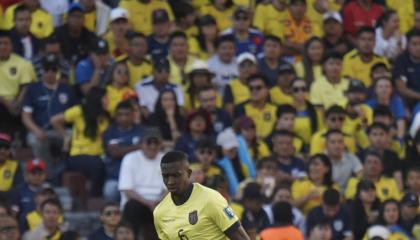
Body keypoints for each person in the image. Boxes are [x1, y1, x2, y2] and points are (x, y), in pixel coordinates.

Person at [153, 150, 251, 239]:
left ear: (188, 173)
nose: (170, 182)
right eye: (166, 176)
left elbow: (241, 237)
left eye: (176, 175)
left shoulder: (210, 199)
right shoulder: (160, 213)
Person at [51, 87, 109, 197]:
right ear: (97, 99)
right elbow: (55, 120)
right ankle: (94, 197)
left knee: (102, 163)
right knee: (98, 165)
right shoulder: (79, 111)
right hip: (78, 155)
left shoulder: (105, 117)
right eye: (105, 98)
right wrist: (65, 135)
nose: (108, 101)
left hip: (98, 155)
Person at [22, 54, 77, 164]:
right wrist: (36, 130)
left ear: (58, 71)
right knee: (35, 140)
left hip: (62, 131)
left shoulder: (67, 89)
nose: (50, 73)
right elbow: (26, 116)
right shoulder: (33, 89)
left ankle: (67, 169)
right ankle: (46, 173)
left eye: (54, 69)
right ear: (42, 70)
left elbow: (75, 114)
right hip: (41, 130)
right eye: (47, 69)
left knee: (75, 138)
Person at [118, 127, 166, 239]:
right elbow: (127, 190)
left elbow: (168, 188)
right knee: (132, 207)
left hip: (161, 203)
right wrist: (149, 203)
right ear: (141, 143)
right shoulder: (130, 158)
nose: (152, 146)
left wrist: (158, 204)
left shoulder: (165, 159)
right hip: (138, 202)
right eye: (149, 142)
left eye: (156, 143)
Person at [102, 101, 143, 202]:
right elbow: (114, 153)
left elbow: (145, 149)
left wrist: (121, 148)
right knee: (109, 191)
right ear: (115, 116)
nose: (123, 118)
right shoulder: (109, 132)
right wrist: (138, 147)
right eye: (120, 115)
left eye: (127, 114)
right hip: (116, 178)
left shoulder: (142, 130)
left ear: (133, 115)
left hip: (138, 178)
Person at [0, 30, 36, 135]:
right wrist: (5, 102)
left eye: (6, 43)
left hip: (16, 103)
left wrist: (17, 103)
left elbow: (26, 86)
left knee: (25, 108)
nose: (2, 47)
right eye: (0, 44)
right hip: (3, 103)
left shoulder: (23, 63)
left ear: (11, 45)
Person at [234, 74, 278, 139]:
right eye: (251, 88)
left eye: (258, 88)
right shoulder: (240, 109)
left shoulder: (275, 110)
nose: (254, 91)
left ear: (267, 89)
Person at [10, 158, 48, 232]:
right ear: (27, 174)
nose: (37, 176)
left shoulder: (49, 191)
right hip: (24, 231)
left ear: (44, 175)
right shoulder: (18, 191)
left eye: (40, 173)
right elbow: (14, 214)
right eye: (33, 173)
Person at [393, 29, 420, 108]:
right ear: (407, 45)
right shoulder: (401, 61)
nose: (418, 47)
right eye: (414, 44)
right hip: (410, 102)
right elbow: (402, 89)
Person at [291, 78, 319, 146]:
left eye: (303, 89)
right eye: (296, 90)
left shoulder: (315, 111)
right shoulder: (286, 110)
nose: (300, 92)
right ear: (291, 91)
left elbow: (318, 133)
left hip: (311, 146)